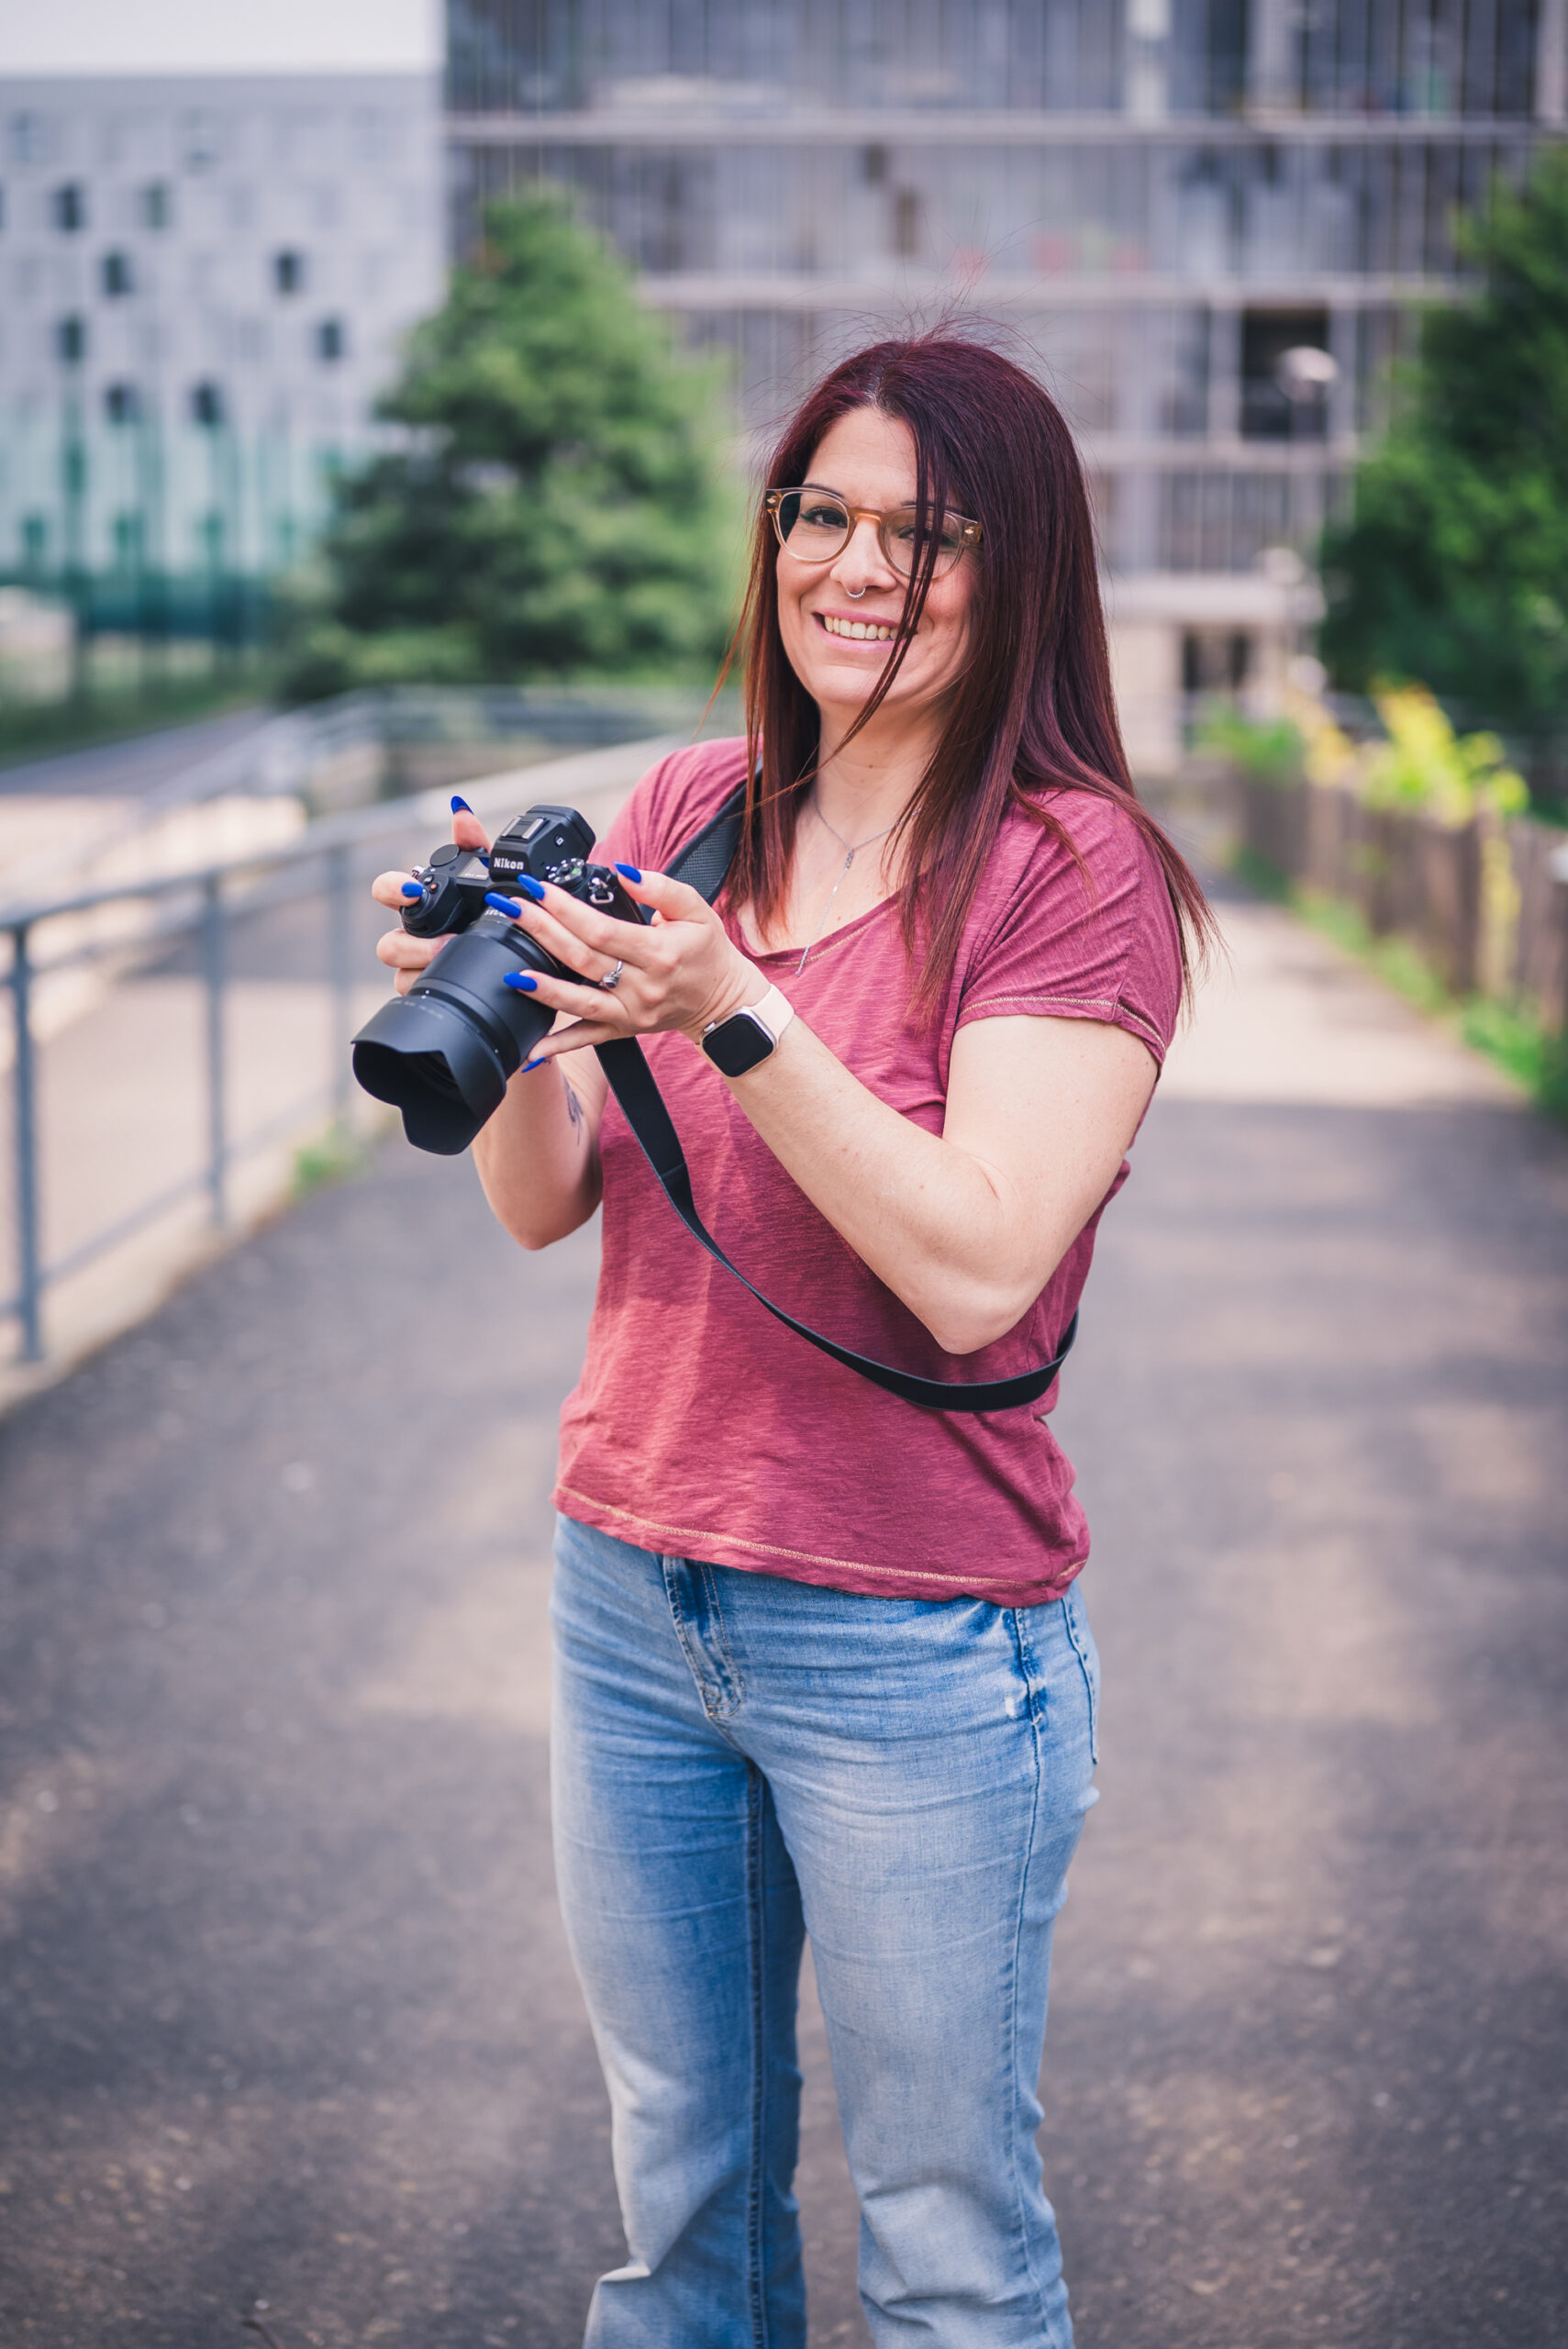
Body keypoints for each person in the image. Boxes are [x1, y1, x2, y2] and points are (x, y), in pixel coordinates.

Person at [372, 336, 1211, 2348]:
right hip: (632, 1588)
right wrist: (491, 1015)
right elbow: (548, 1201)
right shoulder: (694, 803)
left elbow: (980, 1264)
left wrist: (727, 1000)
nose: (852, 565)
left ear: (1024, 575)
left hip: (914, 1631)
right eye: (819, 513)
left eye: (921, 532)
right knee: (684, 2207)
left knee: (941, 2237)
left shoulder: (1074, 873)